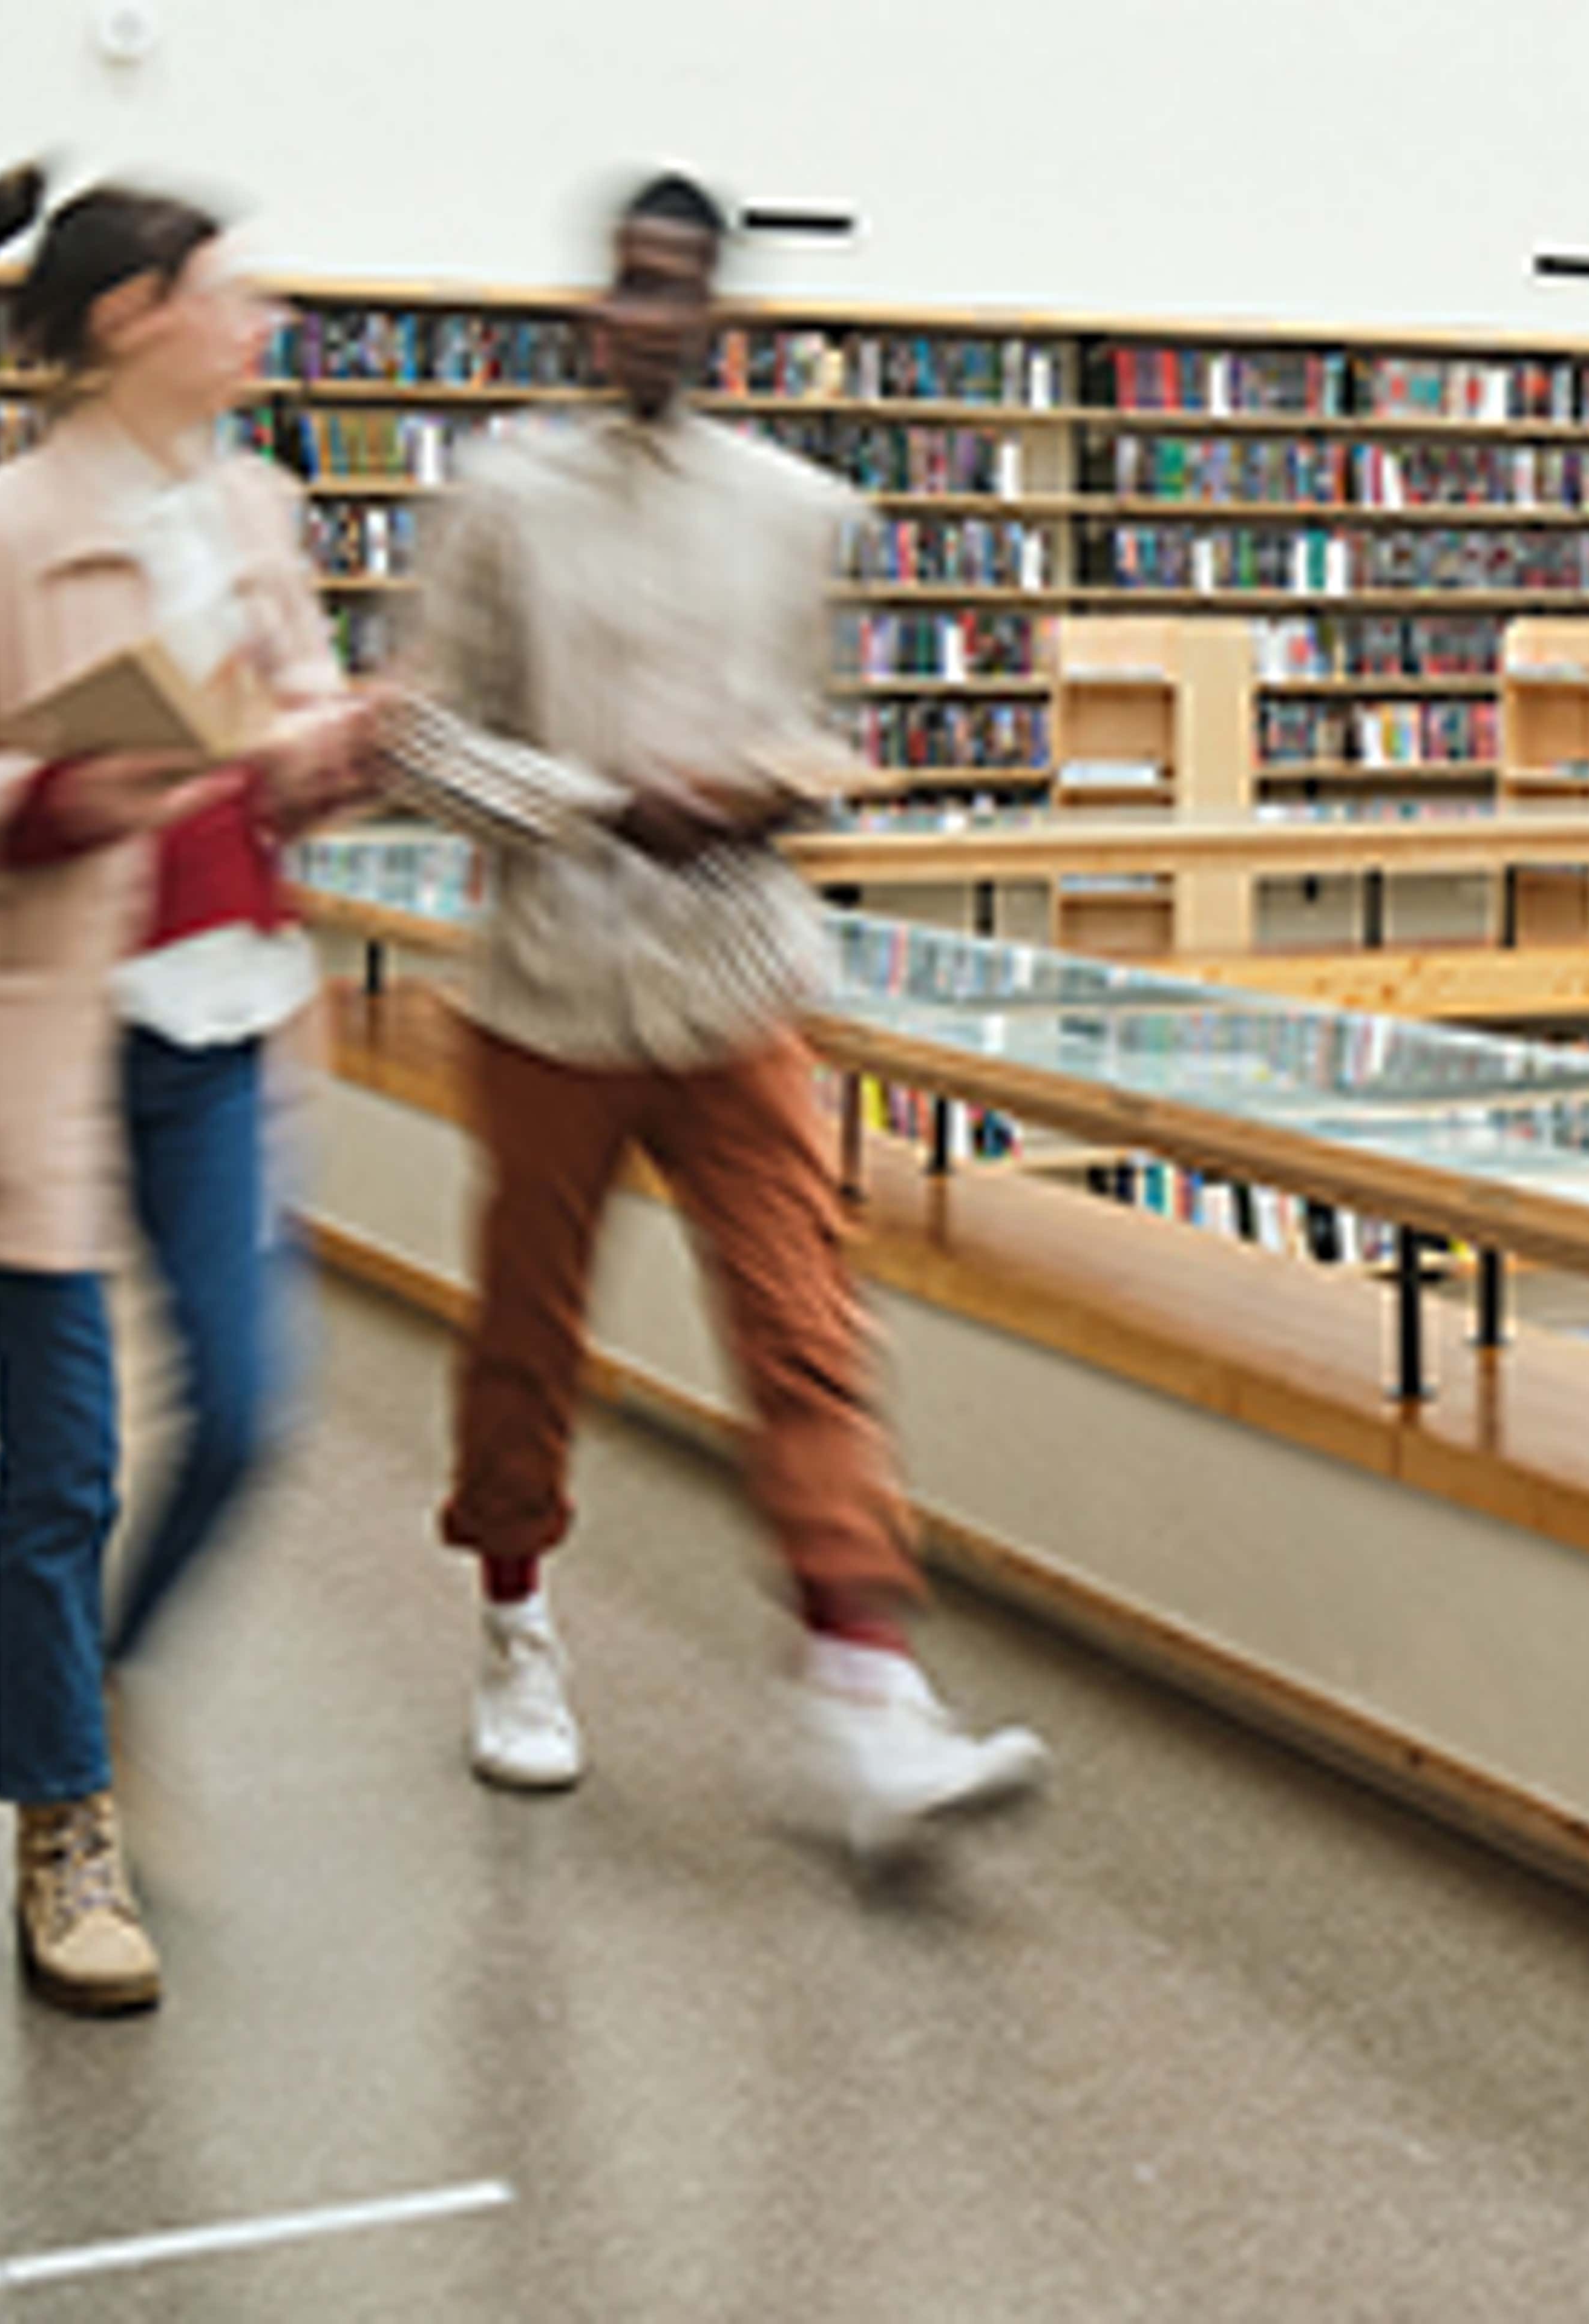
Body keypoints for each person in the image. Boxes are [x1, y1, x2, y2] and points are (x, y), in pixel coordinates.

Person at [381, 170, 1049, 1862]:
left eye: (678, 288)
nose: (646, 315)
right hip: (552, 992)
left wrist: (771, 789)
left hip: (741, 982)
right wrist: (599, 805)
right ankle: (516, 1623)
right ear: (594, 304)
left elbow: (823, 727)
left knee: (805, 1326)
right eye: (624, 283)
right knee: (528, 1328)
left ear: (721, 315)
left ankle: (867, 1686)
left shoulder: (793, 507)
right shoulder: (503, 499)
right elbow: (416, 736)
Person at [0, 165, 376, 2012]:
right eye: (231, 292)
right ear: (136, 314)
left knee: (245, 1411)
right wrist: (59, 796)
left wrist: (336, 756)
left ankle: (116, 1680)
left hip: (223, 1024)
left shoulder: (259, 507)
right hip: (44, 1044)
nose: (262, 324)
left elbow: (280, 719)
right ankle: (63, 1822)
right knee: (59, 1462)